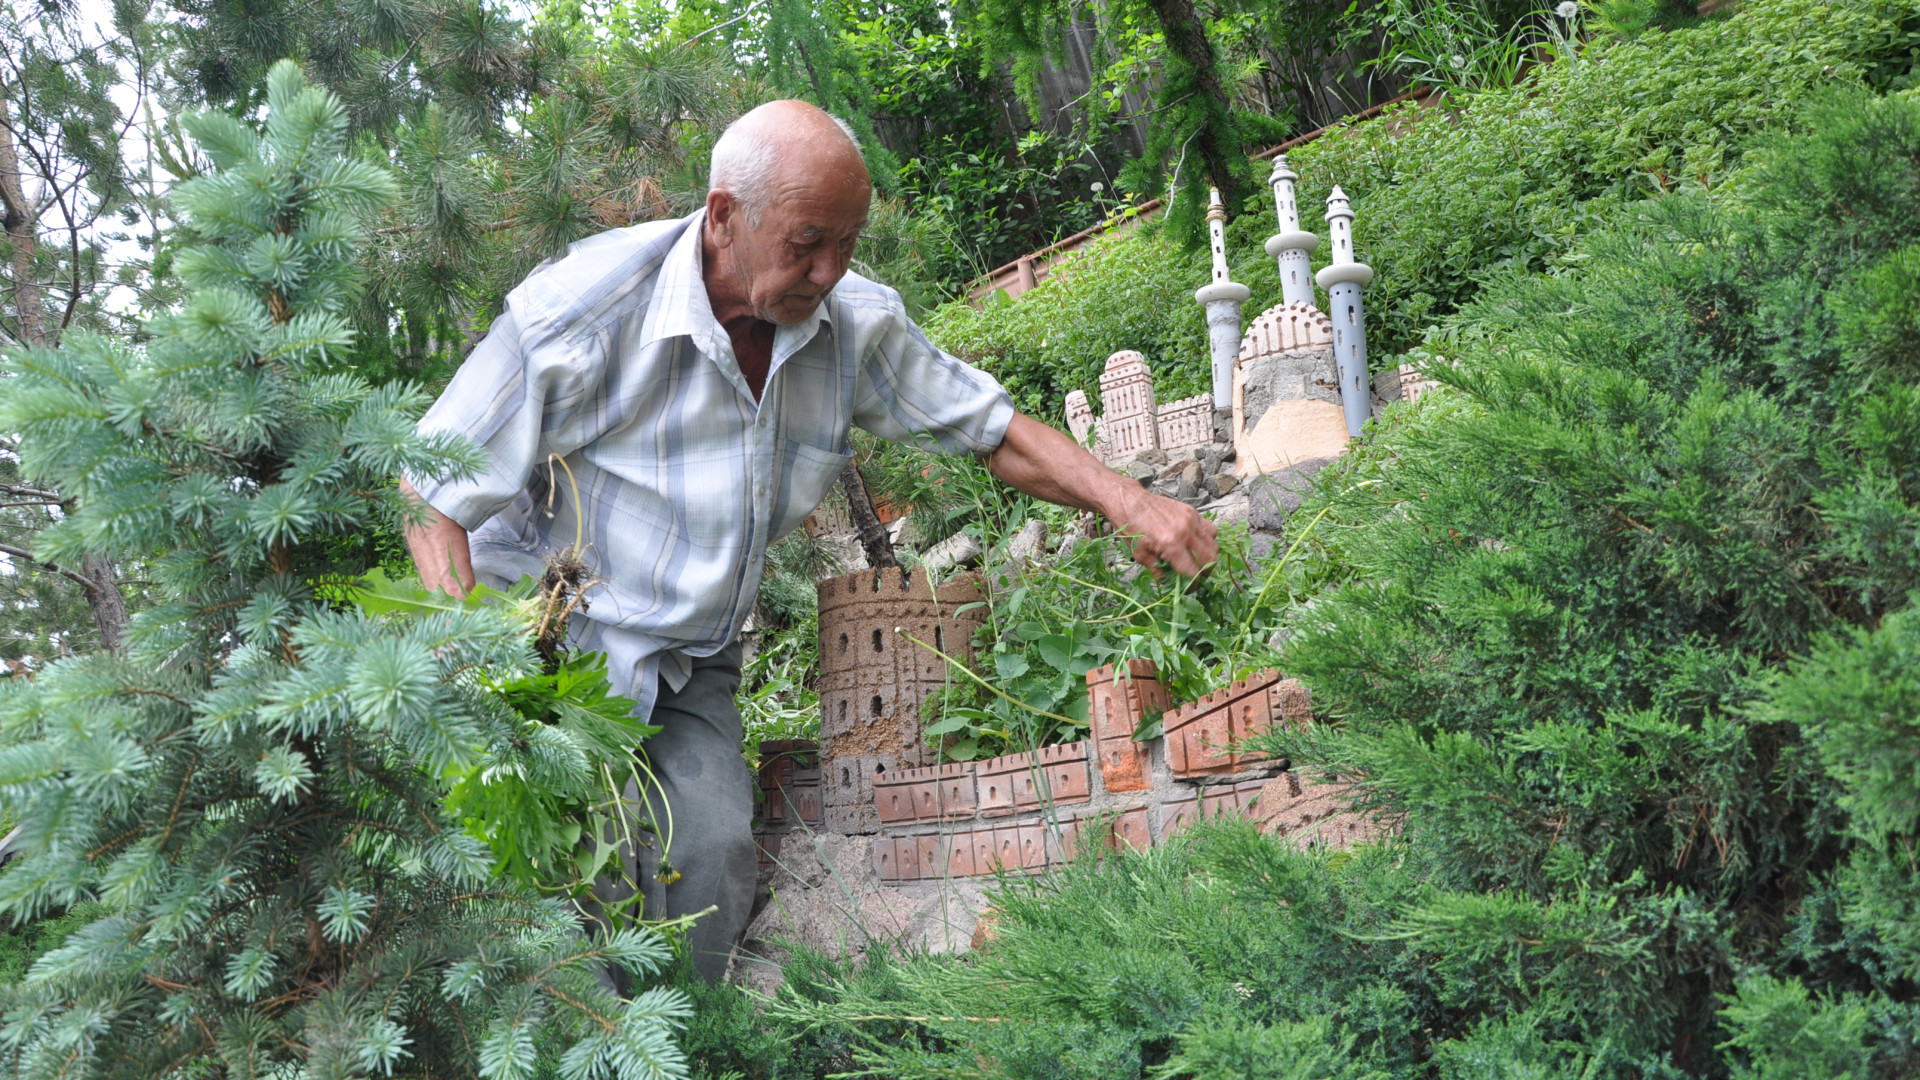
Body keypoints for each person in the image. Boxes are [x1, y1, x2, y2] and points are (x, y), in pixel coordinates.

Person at [400, 99, 1217, 980]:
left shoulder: (855, 324)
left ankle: (694, 1048)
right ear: (724, 217)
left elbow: (994, 430)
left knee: (710, 857)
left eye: (848, 243)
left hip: (686, 658)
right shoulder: (584, 314)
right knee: (561, 881)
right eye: (805, 242)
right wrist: (486, 685)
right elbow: (427, 489)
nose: (828, 271)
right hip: (547, 650)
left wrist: (1128, 501)